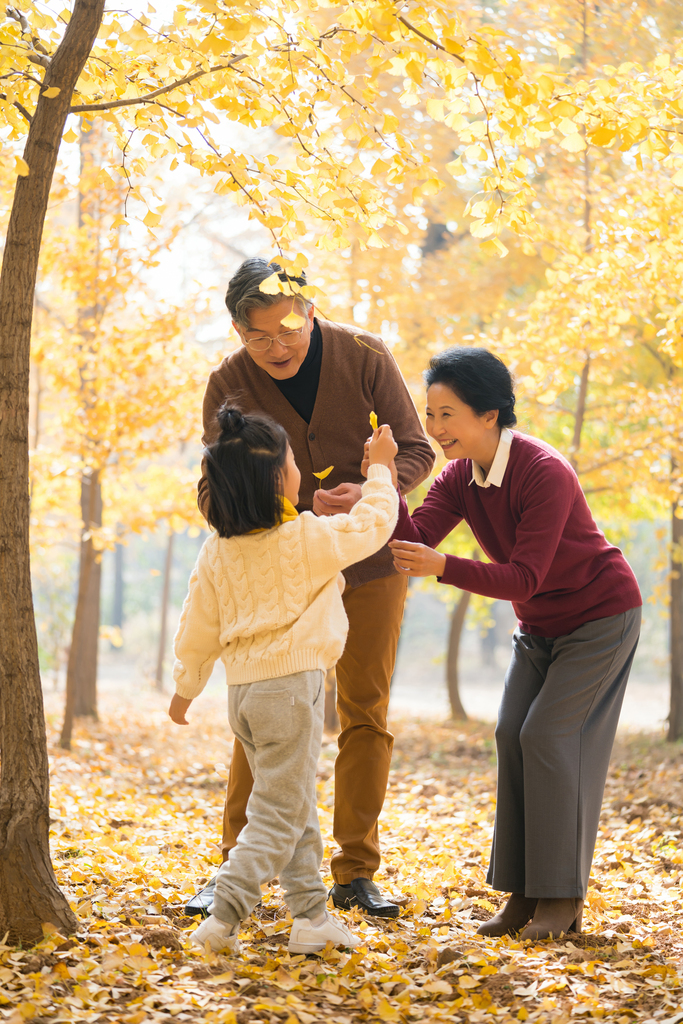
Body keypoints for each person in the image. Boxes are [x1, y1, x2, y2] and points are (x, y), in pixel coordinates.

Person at [186, 257, 435, 920]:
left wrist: (375, 487)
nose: (277, 347)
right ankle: (235, 865)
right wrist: (289, 513)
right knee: (264, 711)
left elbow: (415, 447)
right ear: (238, 332)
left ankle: (355, 870)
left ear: (310, 312)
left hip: (372, 560)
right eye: (258, 337)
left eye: (288, 330)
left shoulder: (364, 353)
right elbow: (214, 490)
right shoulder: (227, 383)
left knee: (365, 710)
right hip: (278, 571)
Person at [384, 347, 642, 940]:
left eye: (447, 415)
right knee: (511, 735)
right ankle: (522, 896)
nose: (435, 428)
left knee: (548, 737)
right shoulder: (459, 477)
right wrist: (384, 480)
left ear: (490, 415)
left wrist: (443, 566)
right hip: (540, 627)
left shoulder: (543, 471)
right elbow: (414, 538)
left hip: (600, 616)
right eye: (430, 414)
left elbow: (524, 575)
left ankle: (561, 900)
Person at [169, 403, 400, 954]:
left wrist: (186, 686)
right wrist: (380, 470)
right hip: (291, 693)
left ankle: (311, 918)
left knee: (292, 806)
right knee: (276, 817)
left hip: (244, 695)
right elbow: (375, 524)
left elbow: (197, 624)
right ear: (279, 479)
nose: (298, 463)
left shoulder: (218, 552)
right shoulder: (307, 539)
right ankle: (219, 920)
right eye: (292, 457)